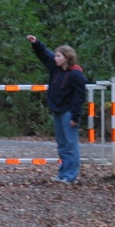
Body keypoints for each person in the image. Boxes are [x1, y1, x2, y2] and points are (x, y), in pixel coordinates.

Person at [27, 35, 87, 184]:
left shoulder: (76, 75)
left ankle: (71, 175)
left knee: (70, 145)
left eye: (59, 56)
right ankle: (63, 174)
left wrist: (75, 116)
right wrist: (36, 44)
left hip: (68, 112)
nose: (56, 58)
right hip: (57, 111)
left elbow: (79, 98)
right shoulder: (55, 69)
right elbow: (45, 55)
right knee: (61, 145)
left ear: (67, 58)